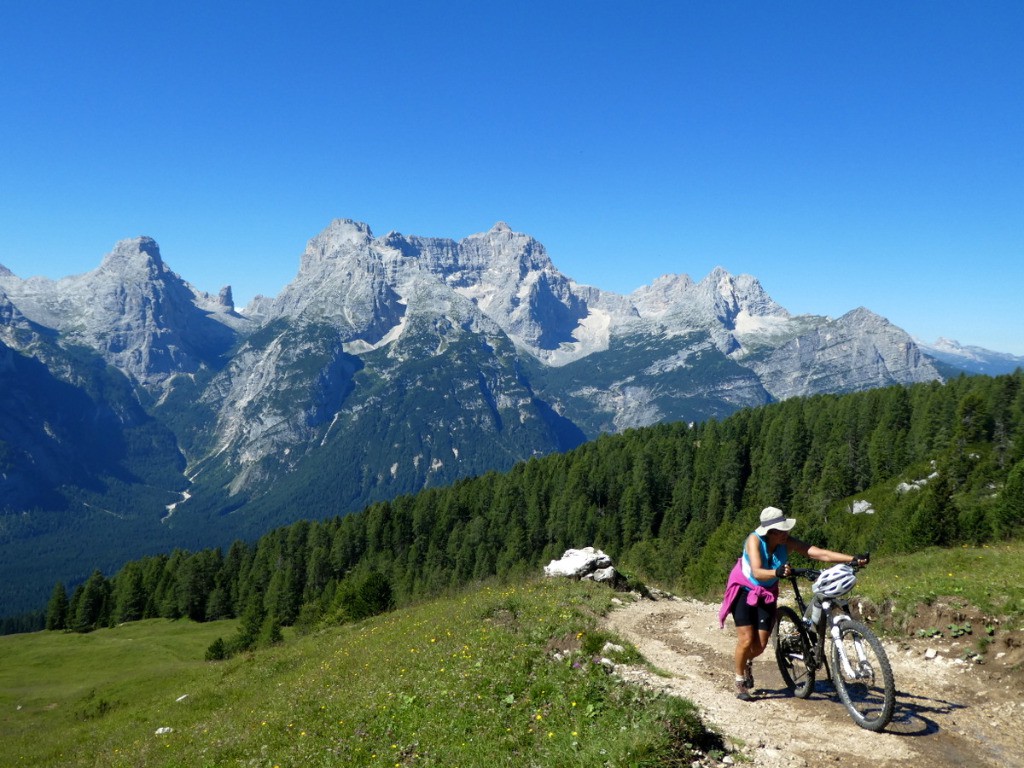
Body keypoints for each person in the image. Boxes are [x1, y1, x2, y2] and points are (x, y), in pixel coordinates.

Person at [718, 506, 868, 701]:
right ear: (770, 532)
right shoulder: (754, 540)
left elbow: (818, 553)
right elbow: (756, 572)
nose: (786, 533)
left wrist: (853, 559)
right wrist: (777, 572)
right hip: (744, 590)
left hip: (767, 593)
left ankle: (746, 661)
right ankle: (740, 681)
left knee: (760, 646)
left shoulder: (786, 542)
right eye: (782, 530)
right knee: (746, 640)